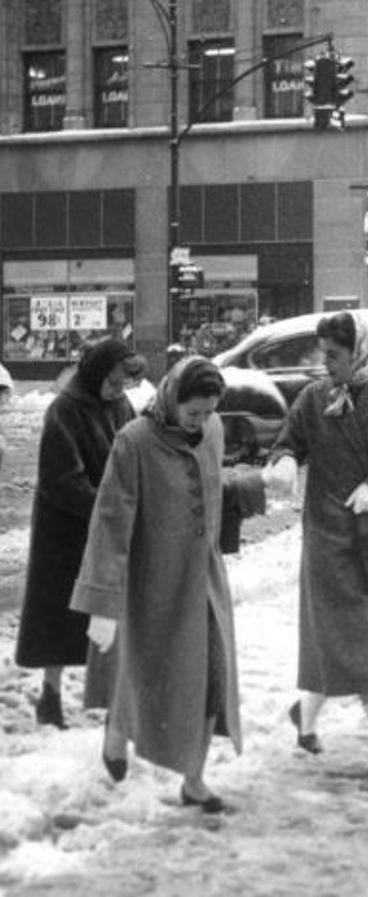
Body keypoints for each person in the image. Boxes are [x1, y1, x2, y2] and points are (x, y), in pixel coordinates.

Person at [70, 357, 289, 811]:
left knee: (212, 677)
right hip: (151, 585)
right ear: (171, 399)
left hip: (203, 582)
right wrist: (102, 604)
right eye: (194, 412)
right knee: (142, 677)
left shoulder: (213, 431)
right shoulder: (133, 442)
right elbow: (110, 522)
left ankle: (195, 782)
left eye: (210, 412)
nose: (202, 421)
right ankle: (116, 735)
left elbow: (214, 491)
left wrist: (259, 482)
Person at [268, 311, 368, 779]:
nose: (326, 364)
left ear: (358, 351)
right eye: (323, 355)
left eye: (334, 355)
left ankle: (307, 714)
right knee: (353, 643)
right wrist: (282, 463)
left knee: (363, 641)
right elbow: (287, 443)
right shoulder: (314, 399)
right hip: (327, 537)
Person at [15, 338, 144, 730]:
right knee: (58, 612)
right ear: (96, 372)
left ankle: (109, 697)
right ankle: (50, 694)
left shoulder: (120, 405)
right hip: (64, 531)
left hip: (104, 523)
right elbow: (60, 479)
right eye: (115, 381)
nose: (120, 390)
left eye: (124, 384)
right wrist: (108, 509)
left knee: (105, 610)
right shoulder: (64, 410)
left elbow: (134, 449)